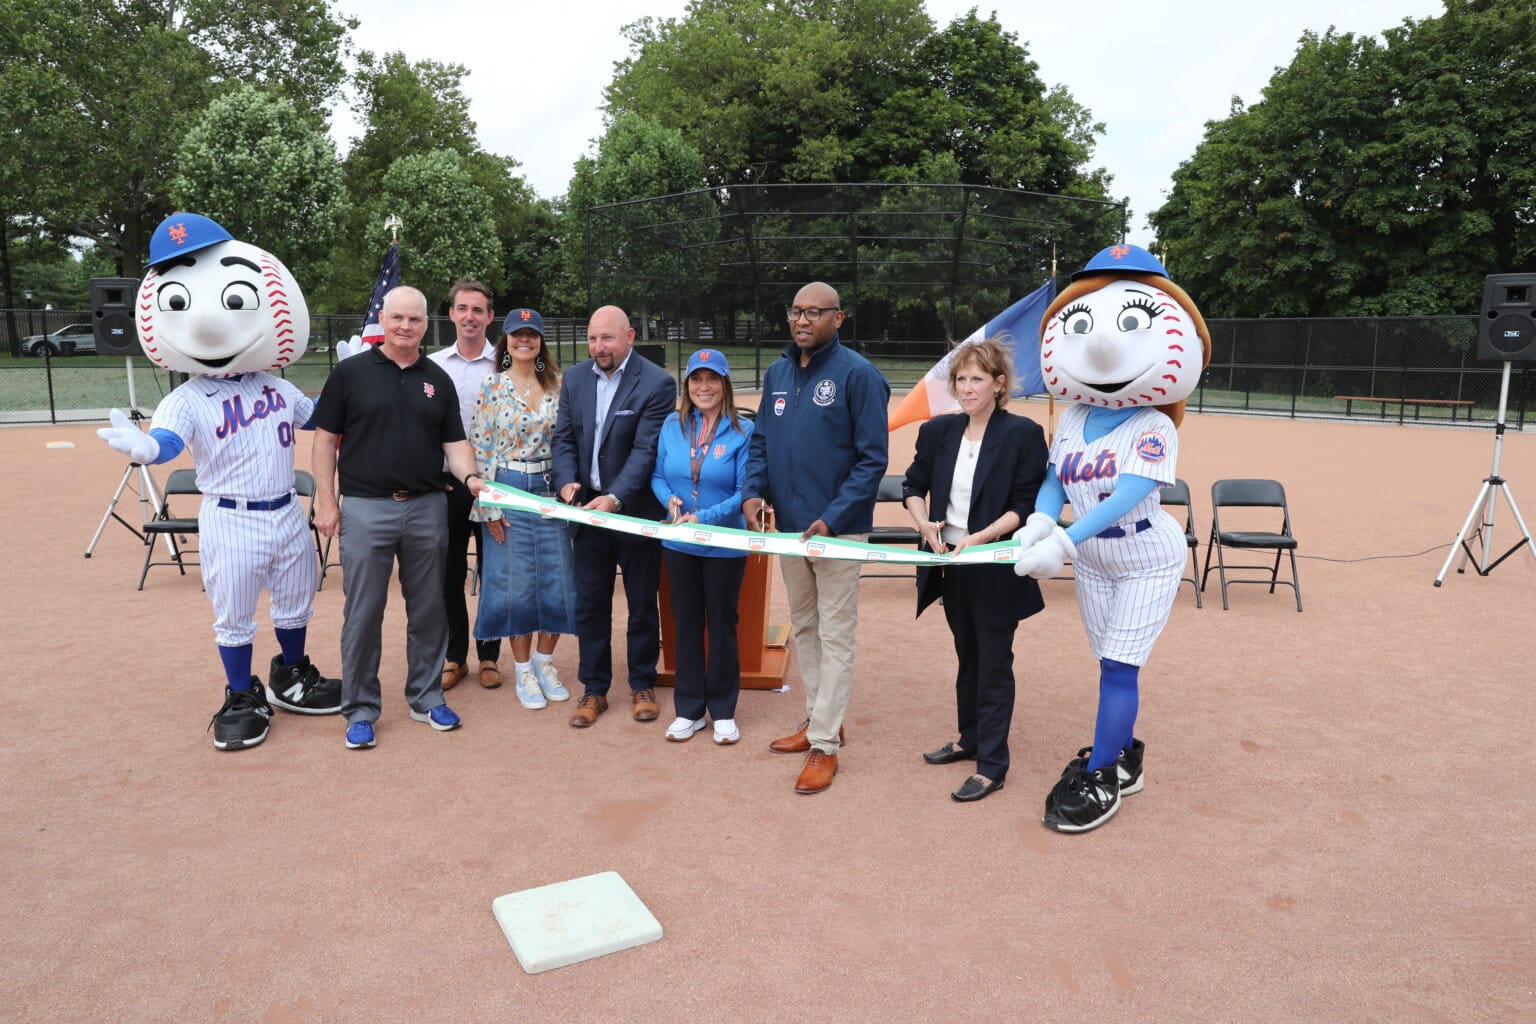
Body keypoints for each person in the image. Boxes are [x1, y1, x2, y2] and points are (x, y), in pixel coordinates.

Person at [96, 212, 341, 751]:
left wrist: (349, 381)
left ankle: (291, 676)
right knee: (233, 617)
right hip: (230, 516)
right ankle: (239, 692)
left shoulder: (275, 387)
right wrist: (146, 449)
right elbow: (167, 441)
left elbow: (316, 416)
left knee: (296, 602)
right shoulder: (183, 398)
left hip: (284, 510)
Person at [1011, 243, 1213, 833]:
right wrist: (1042, 522)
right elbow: (1055, 478)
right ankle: (1125, 751)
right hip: (1095, 559)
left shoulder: (1152, 424)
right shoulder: (1072, 415)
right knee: (1106, 661)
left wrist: (1064, 542)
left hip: (1147, 553)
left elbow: (1127, 495)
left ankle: (1104, 775)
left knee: (1121, 667)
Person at [311, 285, 488, 750]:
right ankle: (361, 709)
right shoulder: (350, 374)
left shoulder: (438, 379)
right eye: (398, 319)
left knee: (429, 609)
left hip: (427, 506)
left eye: (414, 319)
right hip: (367, 507)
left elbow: (455, 445)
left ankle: (426, 697)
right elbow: (325, 440)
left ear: (427, 324)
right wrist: (326, 502)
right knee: (363, 612)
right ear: (383, 321)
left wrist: (470, 479)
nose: (405, 327)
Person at [742, 281, 890, 794]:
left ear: (838, 318)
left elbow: (872, 459)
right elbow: (760, 441)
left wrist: (832, 516)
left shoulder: (859, 375)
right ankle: (818, 719)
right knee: (804, 626)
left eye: (814, 313)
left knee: (835, 633)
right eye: (795, 312)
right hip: (788, 530)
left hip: (838, 531)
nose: (802, 321)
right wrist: (752, 494)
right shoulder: (779, 372)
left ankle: (826, 745)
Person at [900, 338, 1048, 802]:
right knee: (968, 656)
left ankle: (993, 764)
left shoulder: (1022, 434)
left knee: (994, 663)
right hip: (950, 565)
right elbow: (912, 484)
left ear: (998, 384)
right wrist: (923, 522)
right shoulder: (938, 432)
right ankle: (969, 739)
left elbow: (1025, 505)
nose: (966, 388)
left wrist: (981, 538)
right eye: (961, 379)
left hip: (993, 564)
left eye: (977, 379)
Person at [552, 305, 676, 729]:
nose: (598, 347)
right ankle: (594, 689)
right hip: (586, 514)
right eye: (592, 339)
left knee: (642, 603)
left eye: (606, 338)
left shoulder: (657, 383)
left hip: (635, 514)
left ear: (630, 336)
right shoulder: (574, 379)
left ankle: (642, 682)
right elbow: (564, 438)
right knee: (591, 605)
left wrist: (615, 497)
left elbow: (646, 451)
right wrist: (567, 482)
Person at [469, 307, 575, 711]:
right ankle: (523, 669)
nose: (525, 340)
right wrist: (489, 507)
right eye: (517, 334)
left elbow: (569, 441)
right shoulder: (492, 386)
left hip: (550, 489)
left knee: (557, 579)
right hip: (509, 487)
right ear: (507, 340)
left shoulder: (560, 386)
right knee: (515, 584)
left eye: (532, 334)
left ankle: (546, 663)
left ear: (541, 340)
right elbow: (480, 449)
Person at [650, 349, 754, 745]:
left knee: (723, 625)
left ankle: (723, 710)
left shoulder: (743, 431)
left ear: (724, 384)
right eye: (696, 379)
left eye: (712, 379)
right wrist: (669, 502)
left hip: (725, 544)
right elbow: (659, 475)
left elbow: (746, 490)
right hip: (680, 542)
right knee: (686, 623)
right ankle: (690, 709)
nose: (704, 387)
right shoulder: (672, 426)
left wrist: (705, 517)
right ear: (687, 385)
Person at [428, 277, 502, 692]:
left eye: (478, 310)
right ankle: (455, 656)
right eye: (463, 309)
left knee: (494, 575)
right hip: (449, 488)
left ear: (490, 317)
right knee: (448, 576)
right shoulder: (434, 365)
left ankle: (489, 655)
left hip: (494, 488)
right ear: (452, 314)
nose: (470, 316)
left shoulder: (507, 364)